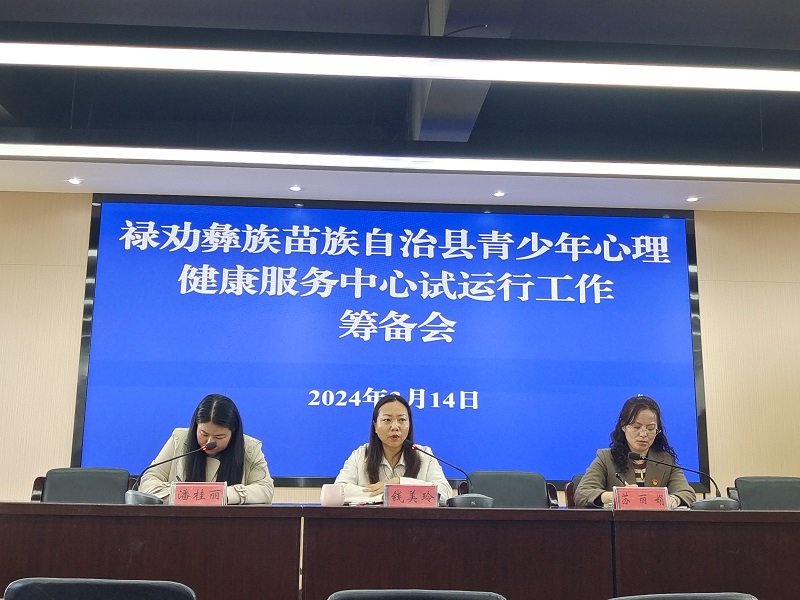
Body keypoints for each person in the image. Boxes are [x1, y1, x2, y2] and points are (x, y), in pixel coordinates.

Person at [140, 393, 274, 505]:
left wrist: (222, 495)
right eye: (203, 434)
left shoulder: (250, 447)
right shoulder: (179, 439)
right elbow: (149, 479)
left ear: (233, 433)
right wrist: (179, 495)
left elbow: (265, 489)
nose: (210, 442)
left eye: (219, 436)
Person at [574, 394, 695, 509]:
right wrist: (618, 495)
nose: (643, 434)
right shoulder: (606, 458)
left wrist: (673, 500)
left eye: (650, 428)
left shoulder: (666, 460)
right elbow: (582, 493)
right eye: (636, 427)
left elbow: (687, 493)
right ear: (623, 425)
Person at [334, 393, 452, 504]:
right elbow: (338, 491)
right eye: (387, 420)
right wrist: (388, 495)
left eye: (402, 420)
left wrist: (400, 482)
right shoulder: (360, 455)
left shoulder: (424, 454)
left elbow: (445, 493)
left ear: (409, 424)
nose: (395, 427)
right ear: (375, 426)